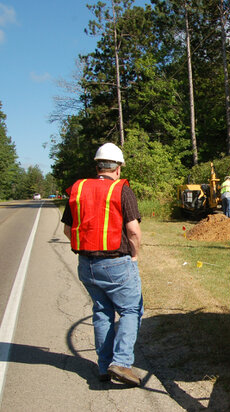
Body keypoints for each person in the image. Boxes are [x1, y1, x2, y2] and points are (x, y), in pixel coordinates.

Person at [61, 142, 143, 386]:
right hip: (116, 261)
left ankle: (103, 366)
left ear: (98, 166)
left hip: (86, 264)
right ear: (117, 168)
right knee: (130, 310)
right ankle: (121, 362)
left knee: (102, 312)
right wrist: (134, 255)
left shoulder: (79, 188)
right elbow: (133, 231)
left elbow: (68, 229)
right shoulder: (121, 189)